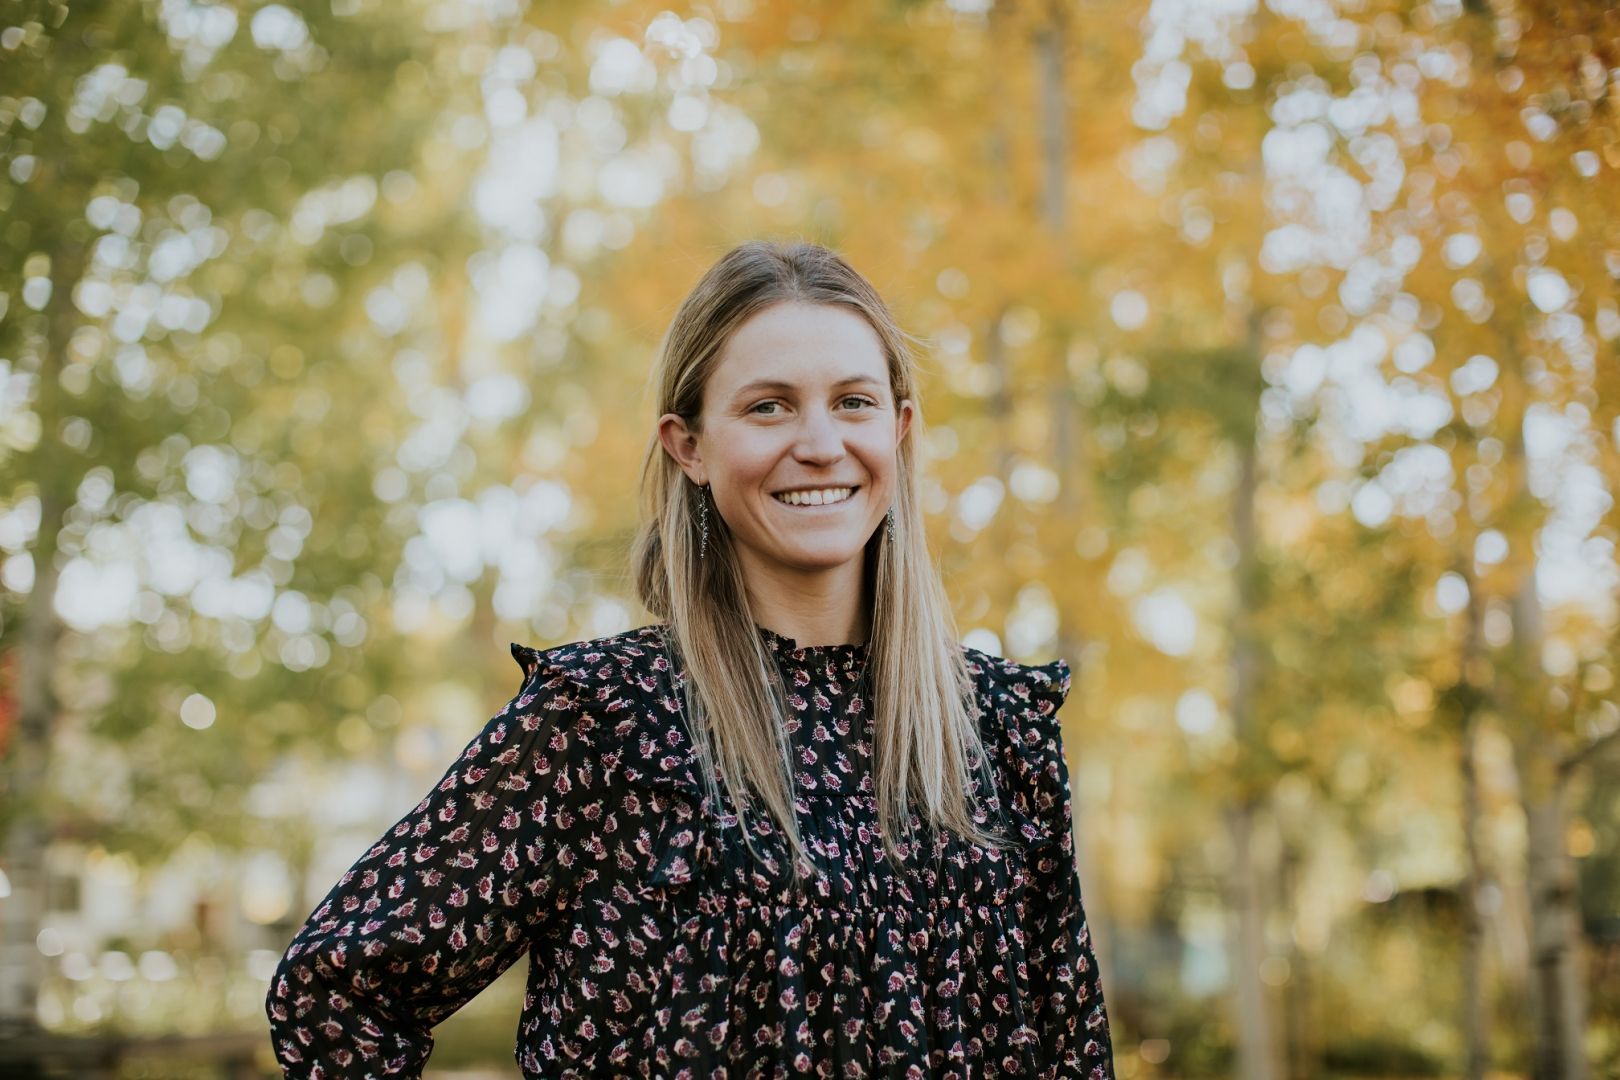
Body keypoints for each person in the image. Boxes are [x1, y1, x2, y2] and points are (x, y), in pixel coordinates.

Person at [265, 240, 1115, 1079]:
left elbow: (1073, 1044)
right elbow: (334, 995)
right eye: (769, 407)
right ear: (689, 446)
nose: (821, 443)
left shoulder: (1001, 728)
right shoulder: (602, 722)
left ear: (898, 429)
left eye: (853, 402)